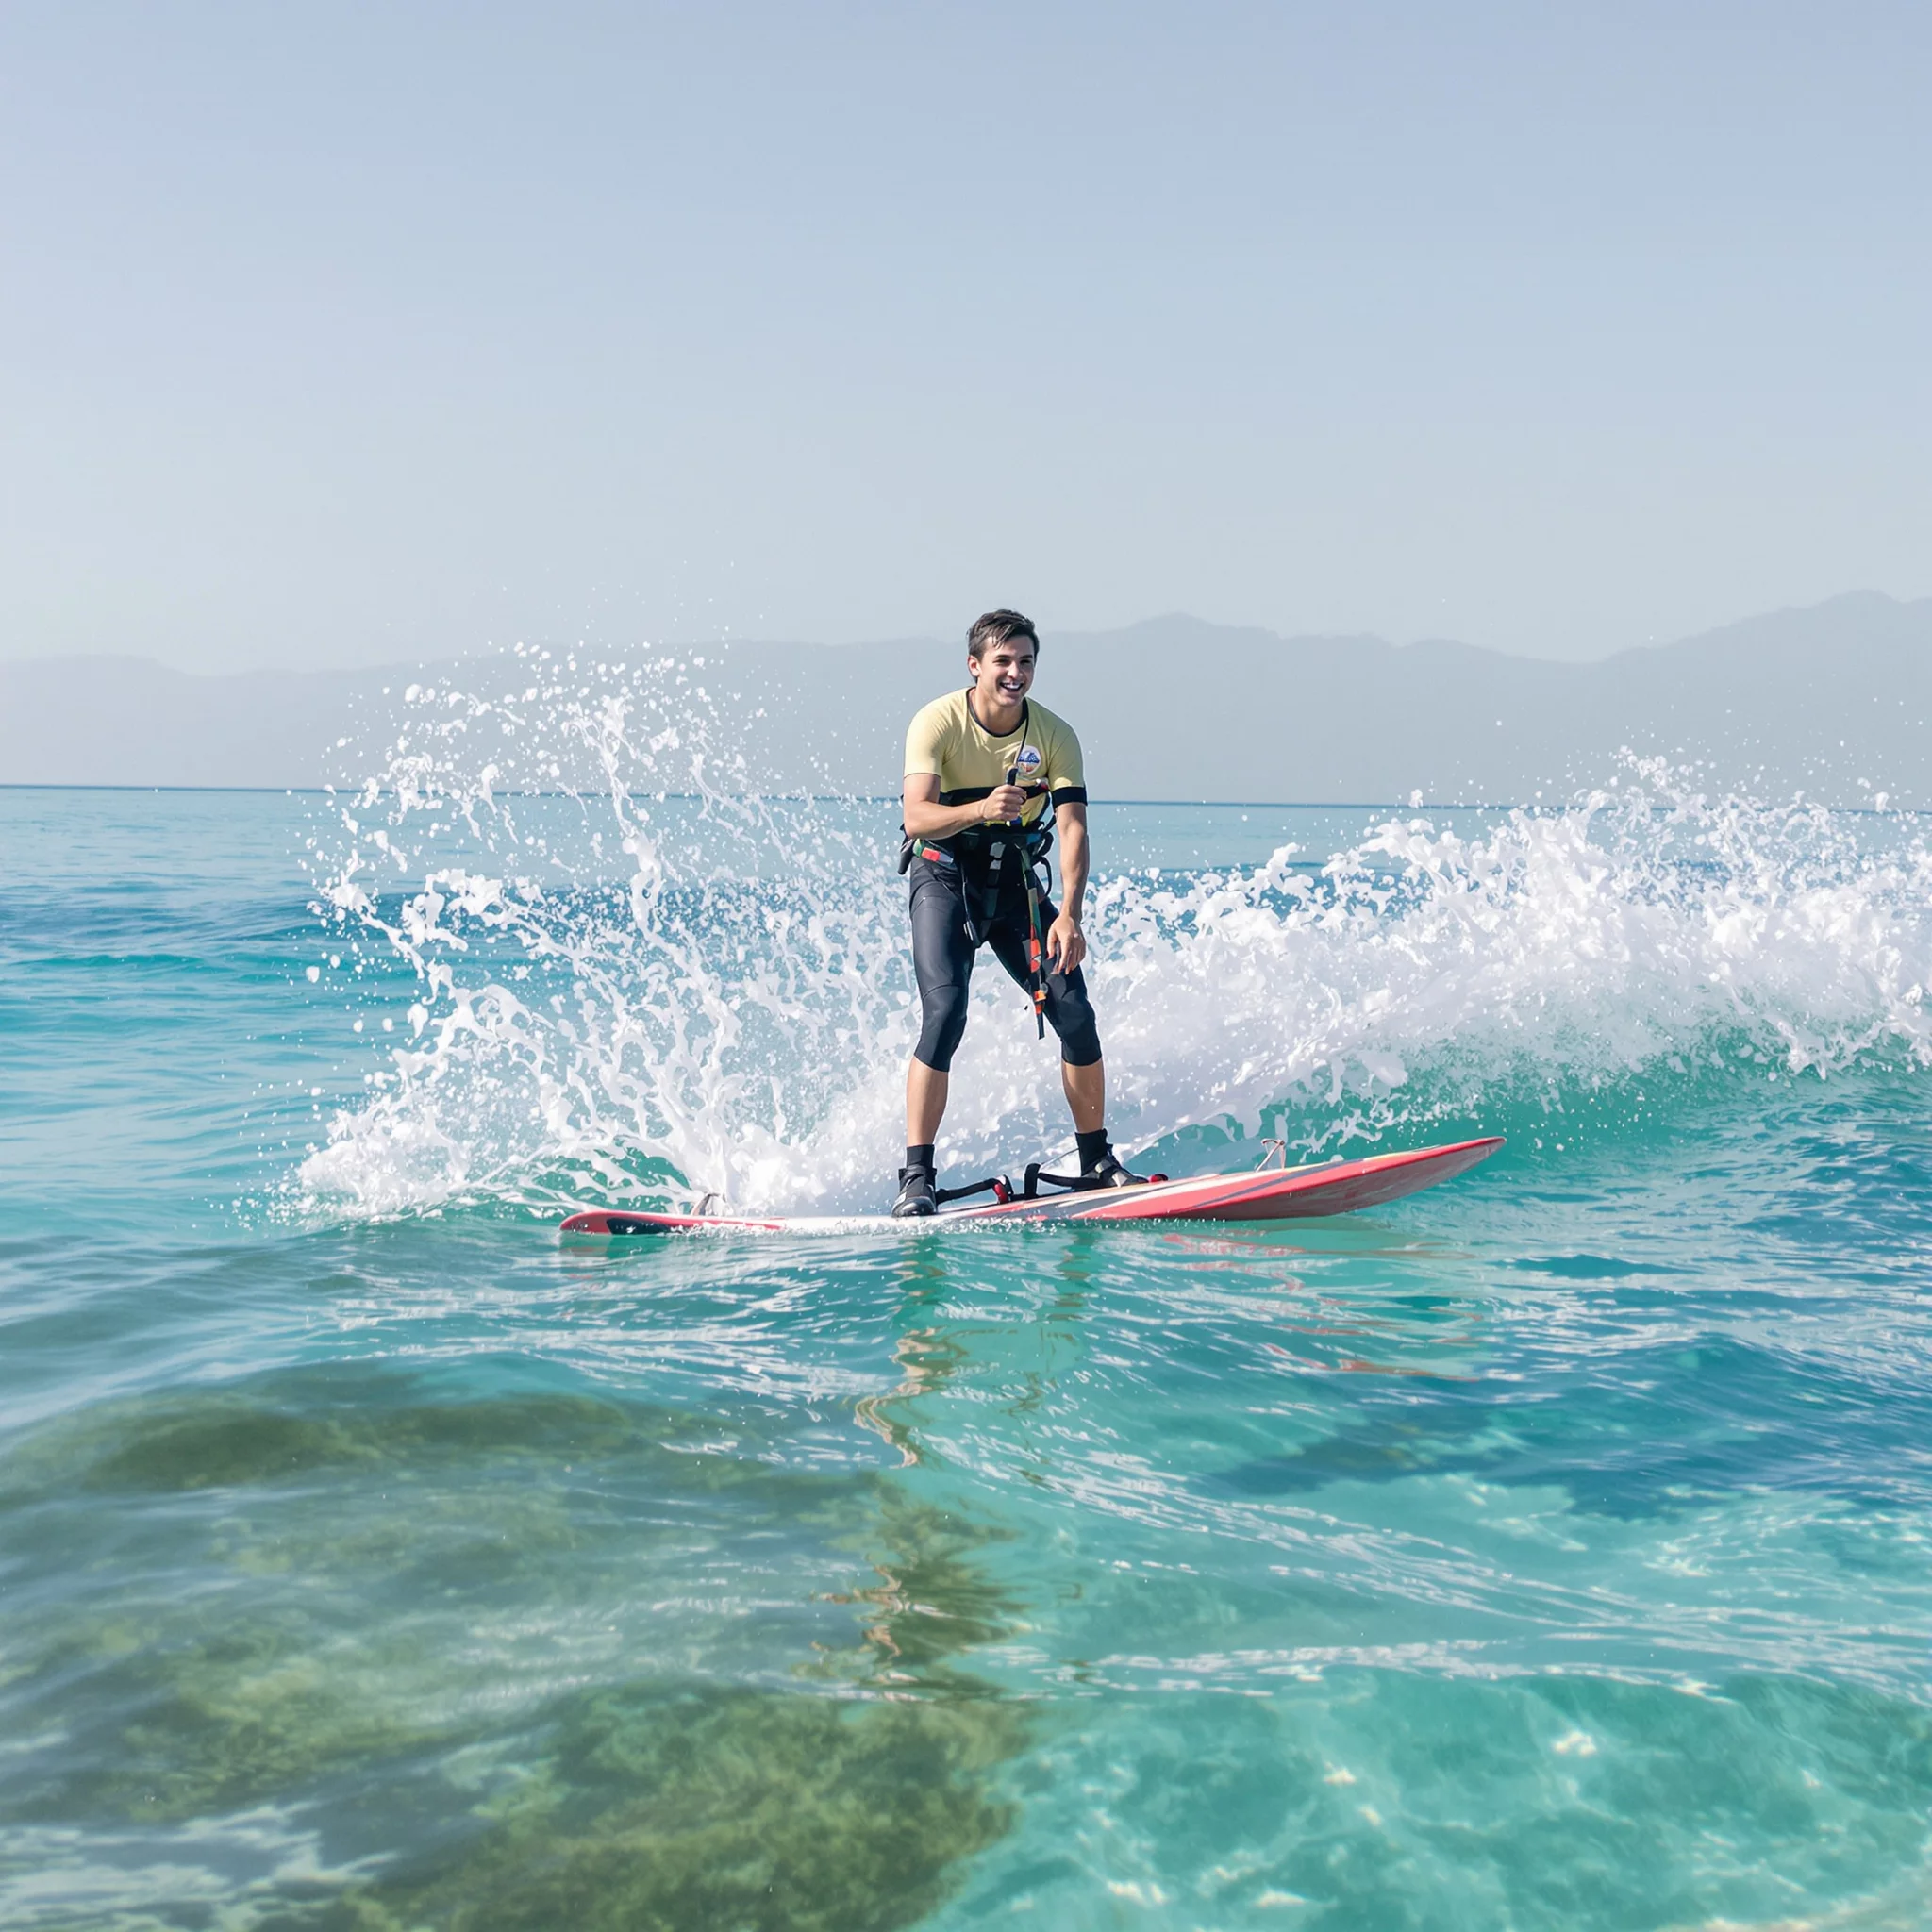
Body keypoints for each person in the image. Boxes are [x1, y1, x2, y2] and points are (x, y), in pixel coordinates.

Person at [893, 608, 1146, 1216]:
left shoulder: (1055, 735)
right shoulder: (938, 721)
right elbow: (916, 817)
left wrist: (1071, 915)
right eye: (1003, 661)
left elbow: (1074, 830)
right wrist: (982, 809)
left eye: (1026, 661)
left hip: (1014, 887)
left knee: (1074, 1010)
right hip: (944, 878)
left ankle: (1096, 1159)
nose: (1015, 673)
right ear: (975, 666)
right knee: (946, 1011)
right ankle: (916, 1177)